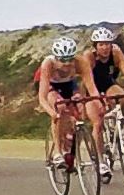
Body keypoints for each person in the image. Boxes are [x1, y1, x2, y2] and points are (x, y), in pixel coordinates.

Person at [78, 24, 124, 180]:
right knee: (97, 122)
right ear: (95, 46)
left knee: (122, 96)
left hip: (108, 84)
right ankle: (101, 161)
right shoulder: (89, 56)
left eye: (107, 44)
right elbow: (85, 80)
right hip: (91, 88)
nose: (105, 47)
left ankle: (118, 124)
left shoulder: (116, 53)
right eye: (101, 44)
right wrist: (84, 102)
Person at [36, 36, 87, 170]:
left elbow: (91, 87)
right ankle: (57, 153)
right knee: (59, 107)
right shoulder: (48, 64)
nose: (67, 64)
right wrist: (52, 113)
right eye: (63, 60)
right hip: (50, 85)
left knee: (80, 110)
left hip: (68, 84)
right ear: (56, 58)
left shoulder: (79, 62)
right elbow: (42, 98)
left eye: (70, 59)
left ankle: (71, 149)